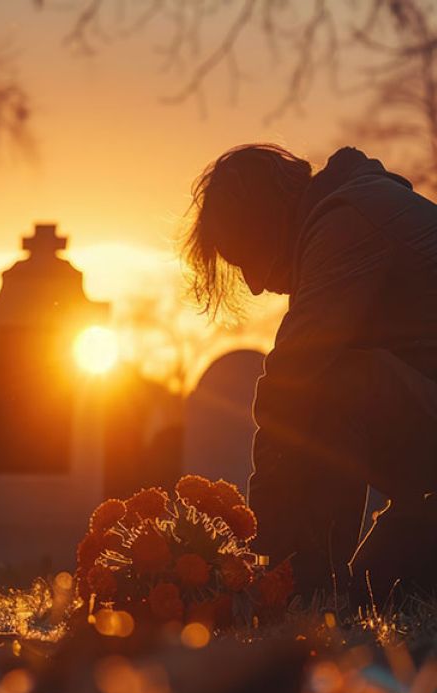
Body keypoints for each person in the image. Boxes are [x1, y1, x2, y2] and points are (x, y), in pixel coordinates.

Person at [183, 144, 437, 601]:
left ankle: (305, 581)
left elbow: (291, 378)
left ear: (267, 219)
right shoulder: (351, 211)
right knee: (364, 596)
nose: (255, 285)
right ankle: (311, 587)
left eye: (244, 259)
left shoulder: (349, 220)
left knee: (329, 383)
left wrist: (262, 533)